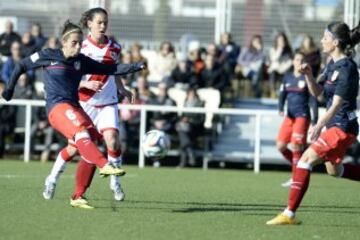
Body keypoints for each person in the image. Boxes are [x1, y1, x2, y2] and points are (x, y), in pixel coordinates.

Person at [1, 19, 145, 209]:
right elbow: (21, 66)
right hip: (57, 108)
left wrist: (136, 66)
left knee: (87, 144)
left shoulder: (81, 61)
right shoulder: (47, 55)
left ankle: (77, 195)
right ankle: (104, 164)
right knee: (83, 135)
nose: (77, 47)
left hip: (75, 107)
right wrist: (9, 90)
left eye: (79, 43)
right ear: (64, 42)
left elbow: (110, 69)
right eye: (73, 43)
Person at [266, 21, 360, 225]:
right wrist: (308, 75)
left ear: (335, 42)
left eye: (325, 37)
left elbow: (336, 104)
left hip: (342, 126)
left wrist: (318, 125)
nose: (322, 41)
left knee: (305, 159)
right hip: (334, 125)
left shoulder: (348, 68)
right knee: (335, 171)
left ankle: (289, 213)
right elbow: (318, 93)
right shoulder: (331, 65)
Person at [42, 8, 136, 203]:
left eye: (105, 22)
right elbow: (69, 77)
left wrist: (123, 88)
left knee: (112, 139)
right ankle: (52, 178)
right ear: (89, 24)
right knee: (74, 148)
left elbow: (113, 71)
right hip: (84, 104)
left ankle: (115, 182)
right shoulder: (80, 47)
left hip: (108, 102)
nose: (103, 26)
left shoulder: (115, 47)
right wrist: (84, 83)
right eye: (99, 22)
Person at [276, 50, 318, 188]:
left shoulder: (307, 78)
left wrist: (314, 119)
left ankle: (296, 177)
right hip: (290, 116)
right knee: (280, 146)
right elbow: (282, 94)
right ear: (293, 62)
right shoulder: (287, 77)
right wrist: (280, 107)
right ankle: (300, 167)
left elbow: (313, 99)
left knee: (295, 146)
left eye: (301, 60)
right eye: (297, 59)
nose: (299, 62)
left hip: (302, 116)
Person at [267, 32, 293, 98]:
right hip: (275, 71)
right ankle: (272, 92)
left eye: (282, 40)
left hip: (284, 71)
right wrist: (280, 49)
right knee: (272, 73)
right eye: (279, 40)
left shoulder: (288, 51)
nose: (281, 42)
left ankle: (284, 93)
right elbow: (274, 59)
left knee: (288, 75)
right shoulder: (273, 49)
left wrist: (281, 69)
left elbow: (289, 63)